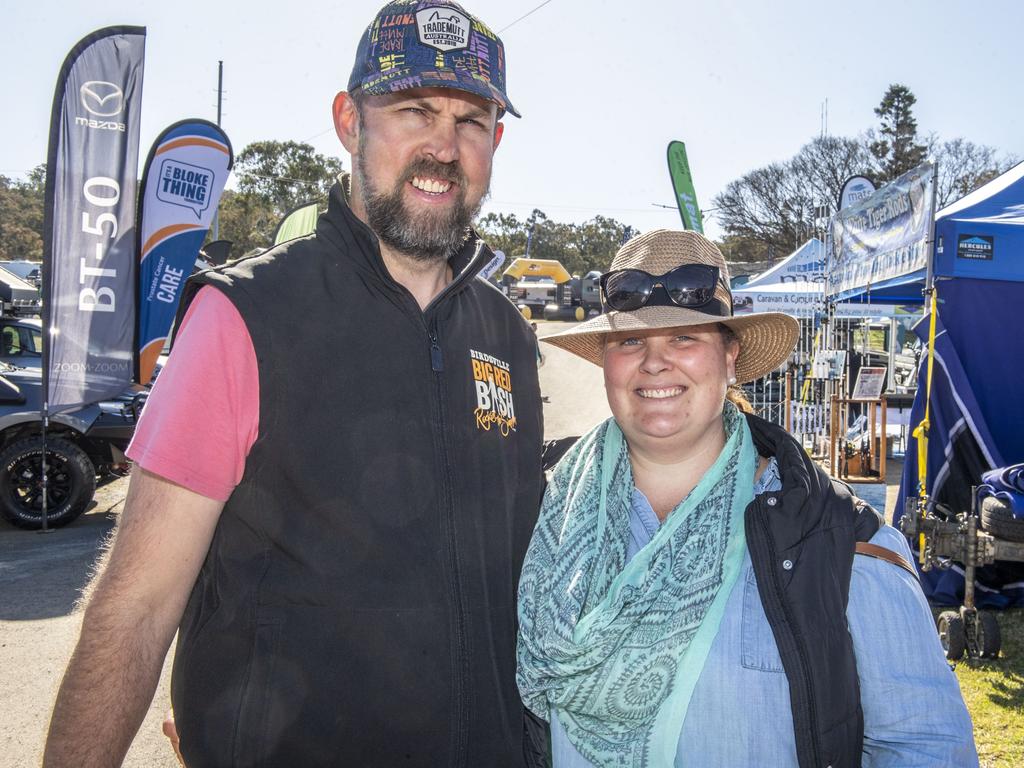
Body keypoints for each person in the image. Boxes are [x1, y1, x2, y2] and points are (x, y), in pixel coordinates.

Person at [44, 3, 544, 766]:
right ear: (350, 121)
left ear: (496, 141)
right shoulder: (244, 316)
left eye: (471, 121)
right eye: (413, 110)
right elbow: (136, 609)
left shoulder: (506, 335)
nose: (443, 146)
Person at [516, 230, 978, 767]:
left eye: (685, 338)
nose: (655, 362)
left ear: (730, 357)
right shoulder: (547, 517)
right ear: (605, 363)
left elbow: (923, 749)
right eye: (630, 342)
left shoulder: (837, 542)